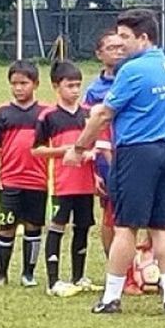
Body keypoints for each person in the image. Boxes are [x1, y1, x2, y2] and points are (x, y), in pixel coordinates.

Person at [63, 9, 165, 316]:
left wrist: (79, 147)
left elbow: (104, 113)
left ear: (144, 38)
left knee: (125, 226)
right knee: (162, 226)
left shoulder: (132, 71)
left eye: (126, 37)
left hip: (136, 152)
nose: (121, 43)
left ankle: (111, 297)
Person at [32, 61, 100, 297]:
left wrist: (91, 157)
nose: (75, 90)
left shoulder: (87, 113)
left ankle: (79, 277)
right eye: (70, 85)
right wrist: (65, 151)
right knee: (57, 227)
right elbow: (37, 150)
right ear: (55, 86)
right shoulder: (48, 116)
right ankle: (53, 281)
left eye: (78, 85)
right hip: (61, 183)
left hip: (85, 183)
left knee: (82, 227)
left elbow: (94, 145)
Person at [0, 60, 47, 288]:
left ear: (36, 84)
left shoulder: (45, 114)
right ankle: (0, 275)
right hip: (10, 181)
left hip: (37, 181)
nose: (19, 88)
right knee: (6, 227)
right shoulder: (1, 114)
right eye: (14, 83)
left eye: (24, 83)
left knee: (33, 226)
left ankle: (28, 274)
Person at [83, 30, 124, 259]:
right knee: (110, 210)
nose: (118, 51)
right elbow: (87, 127)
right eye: (111, 48)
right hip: (105, 158)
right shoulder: (93, 90)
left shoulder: (134, 78)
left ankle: (144, 261)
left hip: (135, 151)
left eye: (121, 46)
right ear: (99, 54)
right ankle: (114, 264)